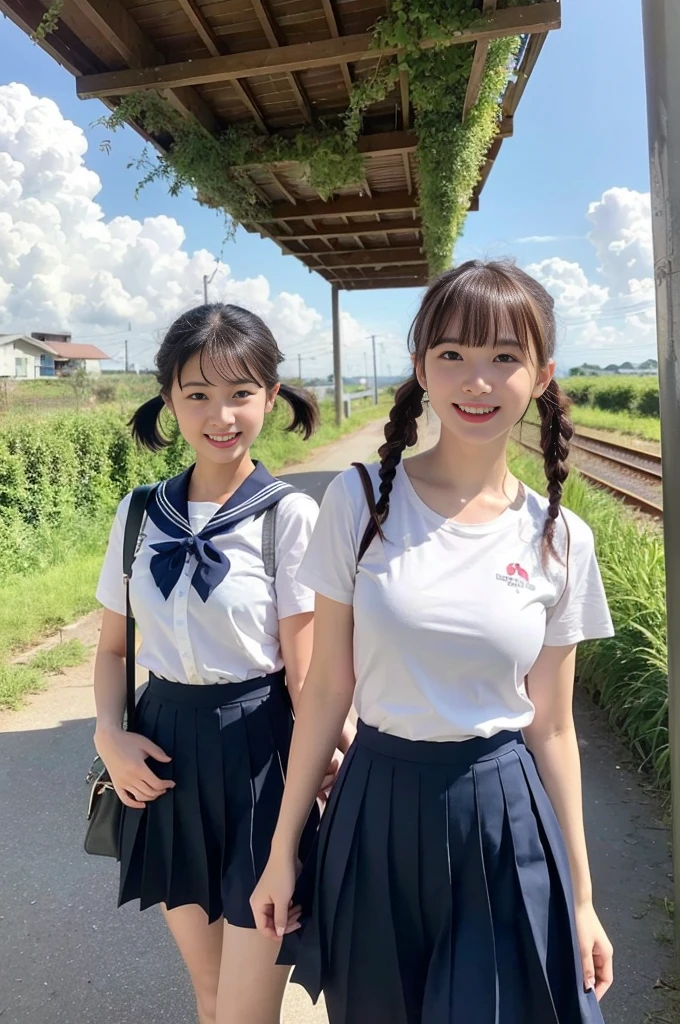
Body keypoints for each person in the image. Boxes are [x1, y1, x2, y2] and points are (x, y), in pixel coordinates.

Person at [251, 260, 615, 1024]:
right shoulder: (359, 501)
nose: (476, 381)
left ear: (543, 375)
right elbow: (325, 690)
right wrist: (284, 847)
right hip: (375, 805)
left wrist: (582, 899)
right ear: (421, 369)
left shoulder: (561, 539)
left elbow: (552, 726)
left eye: (504, 357)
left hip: (502, 814)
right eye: (452, 354)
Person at [93, 303, 339, 1024]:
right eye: (197, 394)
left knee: (245, 1006)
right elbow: (112, 648)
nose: (219, 414)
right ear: (168, 399)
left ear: (271, 395)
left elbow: (307, 674)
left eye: (239, 393)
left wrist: (329, 763)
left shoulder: (287, 516)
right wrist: (109, 735)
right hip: (164, 758)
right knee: (209, 995)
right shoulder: (138, 513)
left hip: (261, 758)